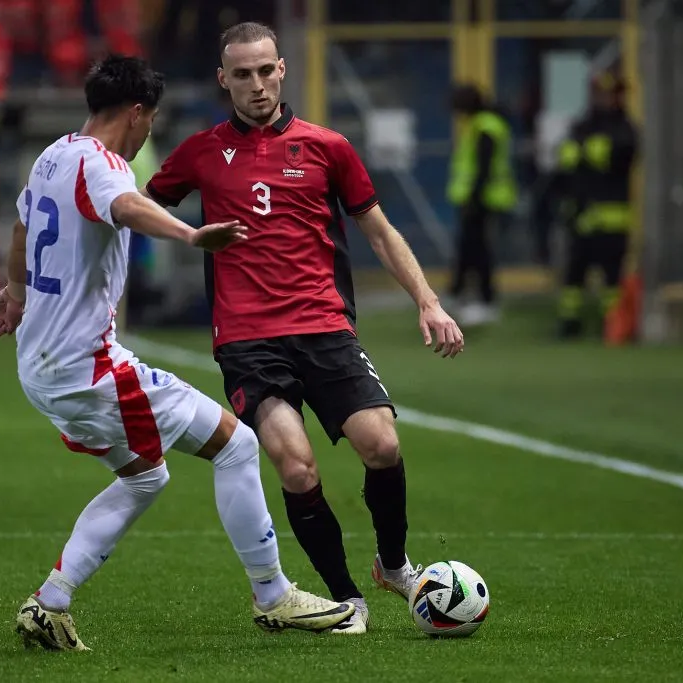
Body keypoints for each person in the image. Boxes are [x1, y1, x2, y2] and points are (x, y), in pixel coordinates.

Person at [0, 54, 355, 652]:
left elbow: (24, 226)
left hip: (40, 366)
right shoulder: (103, 167)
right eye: (149, 120)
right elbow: (126, 206)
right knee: (237, 444)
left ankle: (50, 603)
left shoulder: (53, 154)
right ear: (135, 113)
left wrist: (19, 290)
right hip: (89, 369)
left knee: (145, 476)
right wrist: (190, 234)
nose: (148, 131)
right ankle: (272, 594)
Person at [144, 22, 463, 635]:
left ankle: (393, 565)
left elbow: (378, 230)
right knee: (295, 467)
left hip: (324, 325)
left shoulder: (328, 146)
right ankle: (346, 599)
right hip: (247, 339)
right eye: (242, 74)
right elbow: (137, 210)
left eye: (265, 71)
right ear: (223, 80)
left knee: (384, 445)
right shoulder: (201, 152)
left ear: (282, 70)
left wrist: (428, 301)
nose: (256, 85)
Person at [554, 71, 639, 339]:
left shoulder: (625, 128)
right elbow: (565, 160)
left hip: (612, 218)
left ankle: (614, 327)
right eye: (598, 93)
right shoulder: (582, 126)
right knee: (573, 276)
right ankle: (569, 326)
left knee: (612, 278)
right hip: (580, 215)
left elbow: (617, 155)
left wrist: (585, 153)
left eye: (608, 93)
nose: (603, 99)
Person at [446, 83, 518, 327]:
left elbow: (483, 167)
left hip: (483, 199)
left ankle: (485, 301)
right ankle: (459, 294)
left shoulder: (485, 126)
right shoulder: (484, 124)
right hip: (479, 198)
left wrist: (474, 198)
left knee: (479, 251)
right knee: (470, 249)